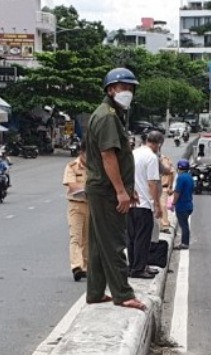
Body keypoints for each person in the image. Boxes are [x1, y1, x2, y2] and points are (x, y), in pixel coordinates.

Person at [84, 67, 146, 311]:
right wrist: (121, 191)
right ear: (111, 90)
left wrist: (128, 188)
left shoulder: (110, 113)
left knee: (100, 243)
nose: (128, 92)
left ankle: (96, 291)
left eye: (131, 88)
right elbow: (108, 156)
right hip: (106, 189)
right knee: (114, 241)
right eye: (123, 87)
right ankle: (123, 293)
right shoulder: (108, 116)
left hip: (102, 187)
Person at [127, 131, 163, 279]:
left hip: (130, 202)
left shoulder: (134, 153)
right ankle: (139, 269)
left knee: (131, 237)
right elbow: (152, 183)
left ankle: (134, 265)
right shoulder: (151, 157)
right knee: (143, 238)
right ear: (158, 144)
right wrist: (157, 205)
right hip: (144, 203)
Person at [62, 142, 89, 282]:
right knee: (76, 236)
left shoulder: (96, 166)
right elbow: (72, 186)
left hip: (92, 206)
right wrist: (89, 190)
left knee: (88, 238)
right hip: (76, 205)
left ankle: (85, 266)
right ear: (81, 152)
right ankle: (76, 266)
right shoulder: (72, 166)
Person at [171, 159, 194, 250]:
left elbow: (177, 192)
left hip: (182, 205)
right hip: (189, 204)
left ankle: (184, 243)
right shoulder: (189, 177)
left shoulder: (181, 178)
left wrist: (173, 202)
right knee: (185, 224)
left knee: (183, 225)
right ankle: (185, 242)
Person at [159, 154, 175, 234]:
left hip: (163, 186)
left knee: (163, 205)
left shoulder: (165, 159)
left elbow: (171, 173)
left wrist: (170, 186)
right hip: (151, 187)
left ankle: (164, 225)